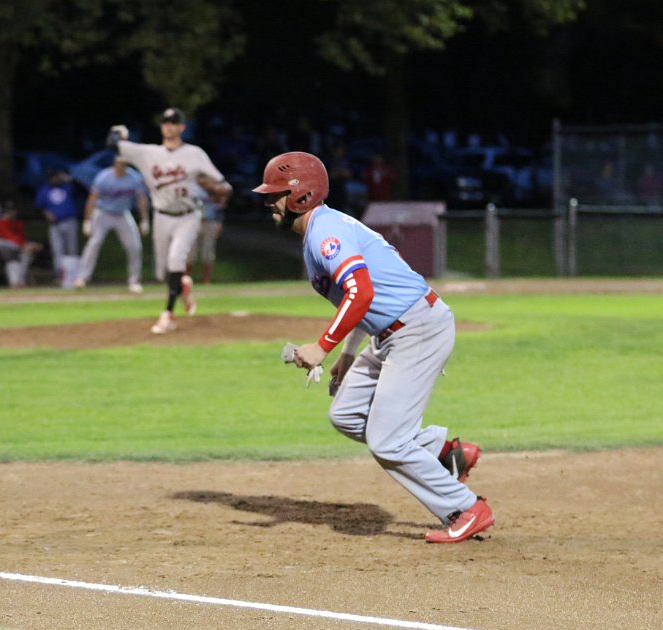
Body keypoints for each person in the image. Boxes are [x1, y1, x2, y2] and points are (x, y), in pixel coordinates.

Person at [253, 151, 494, 544]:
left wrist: (323, 347)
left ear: (300, 196)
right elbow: (366, 296)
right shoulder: (322, 228)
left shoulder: (326, 234)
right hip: (392, 331)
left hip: (417, 329)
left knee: (388, 441)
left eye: (275, 194)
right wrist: (348, 353)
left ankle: (465, 508)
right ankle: (445, 451)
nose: (268, 202)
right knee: (347, 415)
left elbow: (361, 292)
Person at [107, 107, 231, 334]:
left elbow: (224, 185)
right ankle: (183, 284)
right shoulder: (147, 153)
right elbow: (112, 145)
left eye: (174, 122)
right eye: (165, 122)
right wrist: (118, 133)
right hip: (162, 217)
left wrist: (217, 190)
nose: (169, 126)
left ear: (182, 127)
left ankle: (168, 315)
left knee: (176, 260)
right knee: (163, 273)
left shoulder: (194, 154)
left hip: (188, 215)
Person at [74, 155, 149, 293]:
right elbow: (92, 200)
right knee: (94, 243)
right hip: (103, 213)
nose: (121, 167)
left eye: (124, 164)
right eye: (119, 164)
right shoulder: (104, 177)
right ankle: (82, 277)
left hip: (122, 214)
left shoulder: (134, 178)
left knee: (134, 246)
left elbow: (141, 199)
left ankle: (134, 281)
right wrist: (87, 221)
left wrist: (144, 219)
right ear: (114, 164)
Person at [34, 168, 81, 287]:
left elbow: (80, 190)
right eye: (53, 177)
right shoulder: (44, 191)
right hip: (55, 224)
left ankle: (74, 276)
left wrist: (69, 179)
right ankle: (60, 276)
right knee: (57, 251)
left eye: (56, 177)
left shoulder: (67, 187)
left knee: (72, 249)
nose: (55, 179)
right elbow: (39, 206)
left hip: (69, 220)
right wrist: (46, 214)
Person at [0, 201, 43, 288]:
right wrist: (27, 245)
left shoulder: (18, 222)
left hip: (17, 246)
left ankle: (21, 280)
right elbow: (9, 237)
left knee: (26, 255)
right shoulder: (2, 222)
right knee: (15, 258)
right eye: (8, 210)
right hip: (6, 246)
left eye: (12, 210)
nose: (11, 212)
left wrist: (29, 244)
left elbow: (22, 237)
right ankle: (17, 281)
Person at [187, 182, 226, 284]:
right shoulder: (192, 188)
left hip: (210, 221)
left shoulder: (215, 188)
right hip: (193, 222)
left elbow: (220, 207)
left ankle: (206, 280)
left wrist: (219, 223)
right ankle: (185, 279)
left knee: (208, 252)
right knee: (190, 252)